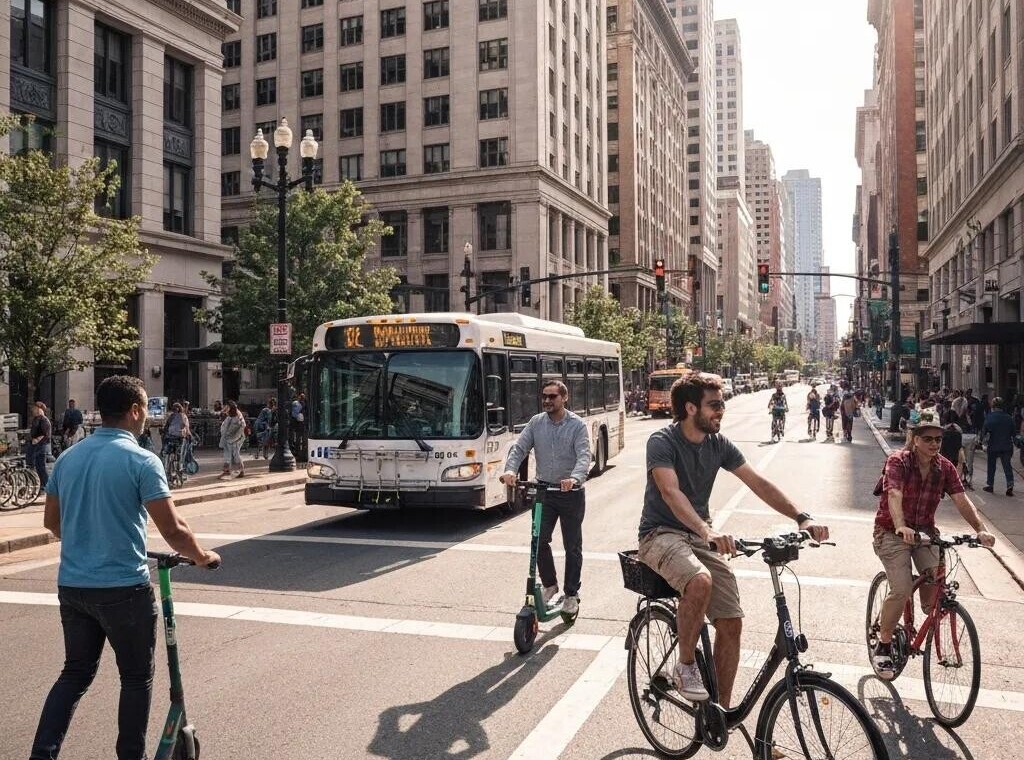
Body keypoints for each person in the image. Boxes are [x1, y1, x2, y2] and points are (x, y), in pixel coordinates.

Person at [30, 375, 219, 760]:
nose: (146, 416)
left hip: (74, 587)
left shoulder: (68, 458)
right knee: (135, 678)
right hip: (123, 589)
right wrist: (203, 557)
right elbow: (173, 529)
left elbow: (52, 523)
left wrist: (88, 536)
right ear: (134, 410)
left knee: (74, 673)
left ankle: (42, 753)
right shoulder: (141, 459)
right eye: (146, 408)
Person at [637, 374, 828, 705]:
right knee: (699, 581)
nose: (721, 411)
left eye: (722, 404)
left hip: (697, 537)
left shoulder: (718, 444)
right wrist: (707, 531)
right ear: (690, 407)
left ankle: (721, 713)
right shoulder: (662, 441)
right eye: (714, 405)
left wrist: (802, 517)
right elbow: (670, 493)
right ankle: (685, 667)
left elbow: (757, 482)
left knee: (731, 622)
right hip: (660, 535)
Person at [870, 406, 995, 679]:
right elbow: (894, 495)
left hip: (925, 533)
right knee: (901, 589)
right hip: (891, 532)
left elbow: (962, 500)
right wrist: (901, 525)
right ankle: (884, 643)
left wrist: (981, 530)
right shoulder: (898, 462)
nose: (934, 444)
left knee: (934, 595)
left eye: (938, 439)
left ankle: (918, 624)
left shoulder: (945, 468)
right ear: (914, 439)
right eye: (927, 438)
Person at [500, 380, 591, 617]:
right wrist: (510, 470)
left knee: (572, 546)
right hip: (543, 491)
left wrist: (575, 478)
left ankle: (571, 594)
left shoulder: (577, 425)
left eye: (552, 396)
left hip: (570, 494)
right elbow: (520, 449)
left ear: (564, 398)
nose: (547, 401)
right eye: (544, 396)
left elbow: (584, 456)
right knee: (538, 540)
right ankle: (550, 585)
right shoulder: (536, 423)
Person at [982, 396, 1015, 496]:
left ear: (993, 406)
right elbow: (1013, 433)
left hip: (993, 445)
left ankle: (990, 485)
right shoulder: (1009, 418)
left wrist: (981, 440)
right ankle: (1010, 485)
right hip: (1006, 446)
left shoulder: (990, 417)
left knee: (991, 466)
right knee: (1007, 466)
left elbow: (984, 431)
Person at [219, 400, 247, 479]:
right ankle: (227, 471)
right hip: (229, 438)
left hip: (236, 438)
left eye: (227, 406)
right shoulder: (231, 415)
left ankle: (240, 470)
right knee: (228, 454)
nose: (225, 408)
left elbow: (239, 428)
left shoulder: (236, 416)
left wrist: (230, 436)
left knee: (235, 454)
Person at [28, 401, 52, 492]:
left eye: (34, 408)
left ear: (39, 409)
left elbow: (46, 434)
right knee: (37, 466)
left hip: (41, 445)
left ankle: (46, 486)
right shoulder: (36, 419)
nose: (33, 410)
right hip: (35, 445)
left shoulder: (43, 420)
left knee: (41, 466)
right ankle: (42, 485)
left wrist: (37, 440)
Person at [291, 391, 308, 462]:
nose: (302, 398)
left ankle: (302, 454)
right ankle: (298, 454)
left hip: (302, 425)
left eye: (303, 397)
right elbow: (294, 415)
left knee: (303, 440)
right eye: (301, 397)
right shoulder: (296, 404)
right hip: (299, 425)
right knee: (298, 440)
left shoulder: (305, 404)